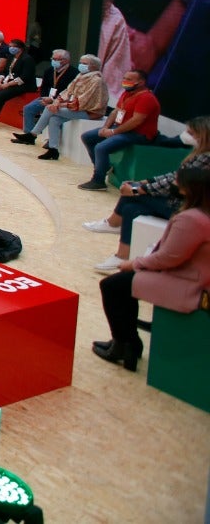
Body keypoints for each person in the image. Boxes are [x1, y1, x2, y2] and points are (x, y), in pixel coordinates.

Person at [93, 160, 210, 371]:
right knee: (122, 285)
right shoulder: (201, 214)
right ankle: (129, 341)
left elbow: (168, 258)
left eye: (178, 181)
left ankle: (124, 345)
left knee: (113, 286)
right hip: (190, 275)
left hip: (189, 283)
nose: (174, 183)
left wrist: (134, 263)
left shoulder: (192, 219)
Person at [89, 117, 209, 272]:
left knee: (131, 195)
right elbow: (175, 176)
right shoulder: (199, 154)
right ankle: (122, 254)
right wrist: (143, 183)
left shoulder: (205, 159)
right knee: (131, 209)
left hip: (190, 207)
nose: (187, 135)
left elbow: (176, 182)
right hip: (183, 201)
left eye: (192, 133)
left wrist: (138, 189)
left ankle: (113, 224)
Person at [79, 70, 164, 190]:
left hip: (139, 134)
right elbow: (115, 111)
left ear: (141, 82)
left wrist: (114, 132)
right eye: (124, 78)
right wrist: (106, 127)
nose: (125, 81)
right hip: (121, 129)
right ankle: (104, 166)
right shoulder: (127, 93)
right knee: (87, 137)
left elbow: (136, 121)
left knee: (101, 147)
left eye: (129, 79)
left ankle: (98, 181)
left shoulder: (146, 98)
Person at [17, 54, 107, 159]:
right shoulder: (80, 76)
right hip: (78, 107)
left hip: (91, 112)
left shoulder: (96, 80)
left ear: (94, 66)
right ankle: (53, 150)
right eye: (80, 63)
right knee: (54, 119)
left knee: (48, 109)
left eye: (84, 64)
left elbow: (83, 101)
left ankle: (32, 134)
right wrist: (57, 101)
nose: (81, 65)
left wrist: (58, 104)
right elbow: (67, 91)